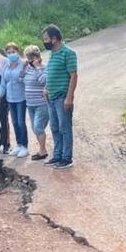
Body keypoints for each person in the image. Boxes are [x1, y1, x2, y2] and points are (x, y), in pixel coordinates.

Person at [43, 24, 78, 169]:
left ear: (54, 38)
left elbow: (73, 76)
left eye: (46, 39)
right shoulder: (52, 54)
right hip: (51, 97)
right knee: (55, 127)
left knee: (65, 128)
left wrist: (69, 98)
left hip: (62, 97)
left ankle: (66, 158)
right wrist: (46, 88)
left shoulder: (68, 53)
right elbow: (51, 74)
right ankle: (57, 155)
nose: (44, 42)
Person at [0, 42, 28, 157]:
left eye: (13, 52)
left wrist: (23, 71)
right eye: (8, 52)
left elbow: (23, 80)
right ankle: (18, 145)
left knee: (21, 122)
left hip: (21, 98)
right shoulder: (6, 66)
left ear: (17, 52)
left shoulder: (23, 65)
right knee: (14, 122)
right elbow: (3, 83)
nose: (11, 54)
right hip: (10, 98)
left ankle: (24, 146)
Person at [22, 44, 49, 160]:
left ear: (37, 57)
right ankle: (41, 149)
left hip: (41, 103)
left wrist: (37, 68)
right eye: (28, 58)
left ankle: (43, 151)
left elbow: (44, 81)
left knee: (38, 127)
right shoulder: (28, 68)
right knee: (35, 128)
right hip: (30, 104)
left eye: (31, 58)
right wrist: (23, 69)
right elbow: (20, 79)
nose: (29, 60)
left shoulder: (44, 68)